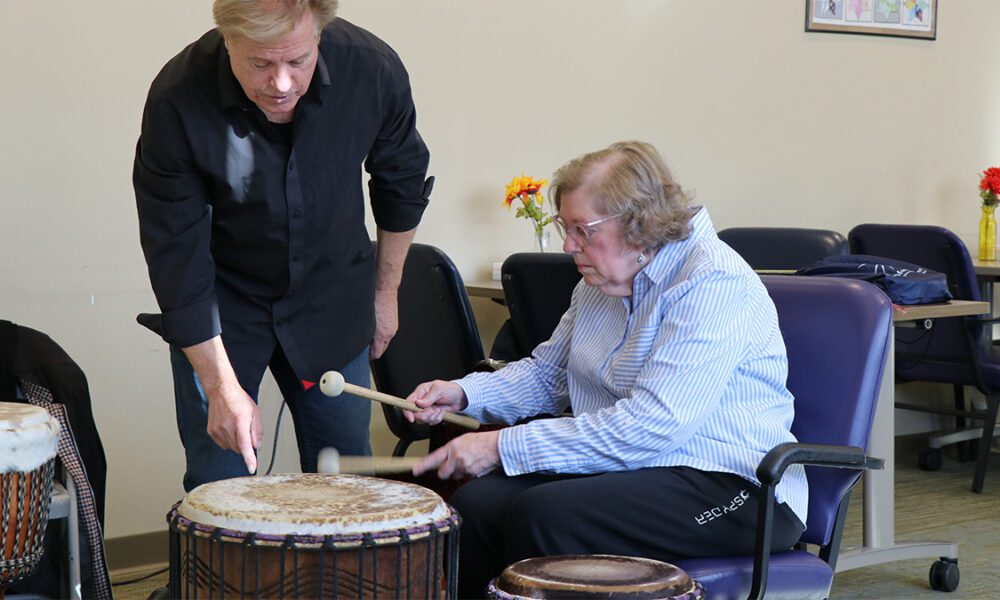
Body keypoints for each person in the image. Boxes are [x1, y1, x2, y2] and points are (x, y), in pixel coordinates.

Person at [405, 141, 808, 597]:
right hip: (639, 469)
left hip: (738, 485)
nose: (568, 244)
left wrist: (501, 445)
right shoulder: (600, 281)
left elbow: (652, 427)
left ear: (641, 224)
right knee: (476, 505)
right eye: (565, 226)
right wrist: (463, 394)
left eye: (583, 229)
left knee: (546, 515)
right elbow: (550, 375)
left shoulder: (711, 281)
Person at [133, 0, 431, 492]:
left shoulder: (371, 69)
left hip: (332, 293)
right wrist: (218, 384)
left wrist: (385, 295)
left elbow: (401, 186)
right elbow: (174, 252)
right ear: (227, 40)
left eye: (298, 61)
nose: (283, 84)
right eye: (260, 64)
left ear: (319, 36)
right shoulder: (177, 100)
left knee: (346, 482)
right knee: (220, 480)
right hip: (223, 308)